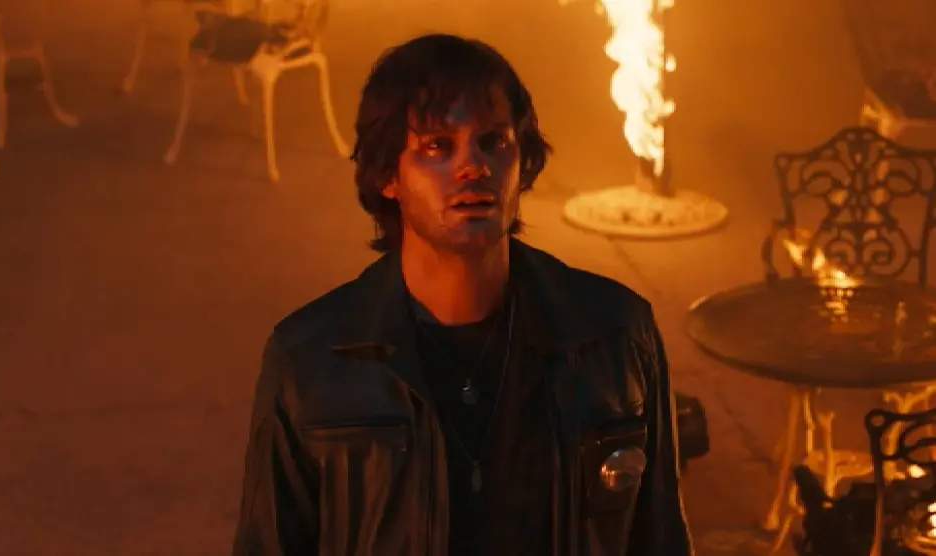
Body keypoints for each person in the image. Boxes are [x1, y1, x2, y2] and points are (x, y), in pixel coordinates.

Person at [232, 33, 694, 556]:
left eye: (494, 141)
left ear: (523, 162)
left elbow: (661, 537)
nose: (473, 166)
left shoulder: (615, 335)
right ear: (388, 175)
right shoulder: (311, 360)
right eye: (437, 145)